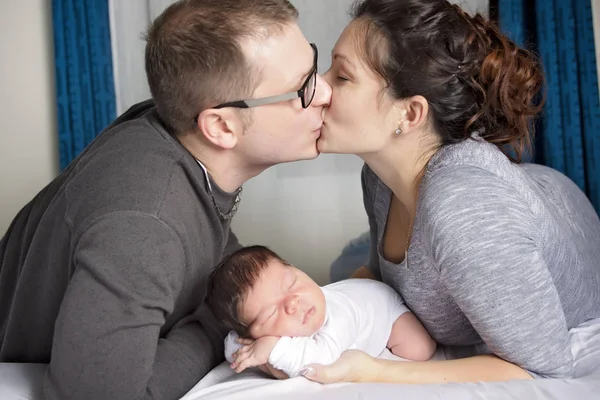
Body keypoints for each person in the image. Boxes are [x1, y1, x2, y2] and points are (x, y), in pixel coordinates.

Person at [0, 1, 331, 399]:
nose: (325, 91)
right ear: (221, 126)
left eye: (314, 66)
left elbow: (209, 248)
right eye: (302, 88)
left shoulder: (170, 138)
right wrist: (218, 325)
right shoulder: (144, 224)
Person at [304, 0, 600, 384]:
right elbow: (379, 282)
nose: (318, 89)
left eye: (342, 76)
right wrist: (303, 312)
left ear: (409, 114)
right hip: (528, 189)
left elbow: (545, 366)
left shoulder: (465, 210)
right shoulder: (378, 176)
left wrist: (374, 371)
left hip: (560, 217)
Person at [206, 245, 436, 378]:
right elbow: (234, 346)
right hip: (350, 291)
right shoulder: (248, 336)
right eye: (270, 313)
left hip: (382, 305)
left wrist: (271, 348)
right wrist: (253, 350)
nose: (293, 303)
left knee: (420, 349)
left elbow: (322, 359)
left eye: (292, 283)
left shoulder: (339, 317)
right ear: (250, 334)